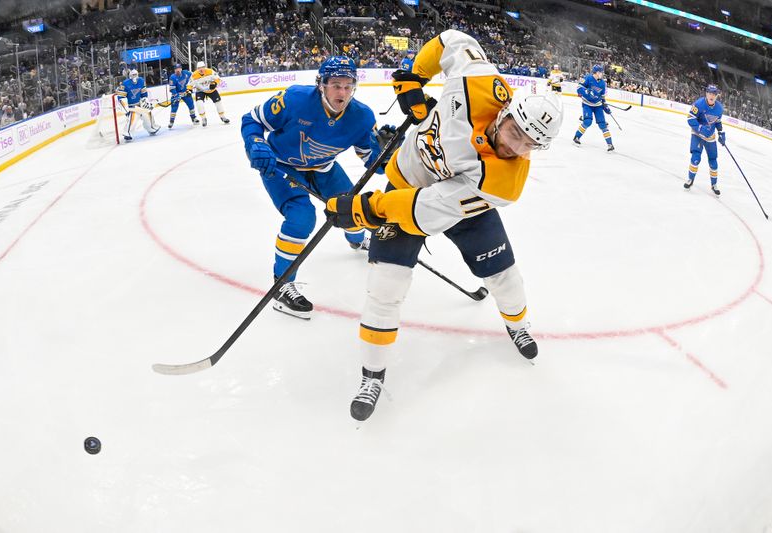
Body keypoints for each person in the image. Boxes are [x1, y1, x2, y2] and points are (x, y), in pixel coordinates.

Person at [323, 30, 564, 421]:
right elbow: (452, 39)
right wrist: (414, 76)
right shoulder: (480, 82)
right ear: (505, 113)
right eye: (514, 132)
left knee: (505, 275)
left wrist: (369, 208)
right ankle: (372, 374)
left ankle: (518, 325)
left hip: (451, 204)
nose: (514, 146)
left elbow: (424, 210)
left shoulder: (502, 182)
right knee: (385, 289)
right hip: (406, 178)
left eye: (527, 145)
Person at [240, 56, 391, 320]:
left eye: (347, 86)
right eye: (335, 85)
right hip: (281, 166)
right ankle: (282, 284)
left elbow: (373, 165)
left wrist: (388, 152)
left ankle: (357, 240)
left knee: (352, 208)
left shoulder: (362, 117)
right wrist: (255, 143)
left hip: (324, 168)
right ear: (321, 84)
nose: (341, 92)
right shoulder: (295, 99)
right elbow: (252, 120)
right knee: (301, 217)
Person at [684, 84, 725, 195]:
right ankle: (690, 179)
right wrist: (701, 128)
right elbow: (690, 118)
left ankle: (714, 184)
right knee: (695, 158)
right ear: (706, 93)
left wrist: (721, 133)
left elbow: (717, 121)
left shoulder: (719, 108)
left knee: (713, 162)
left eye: (714, 94)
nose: (712, 96)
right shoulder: (699, 104)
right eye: (710, 93)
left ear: (717, 96)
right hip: (697, 135)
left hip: (710, 137)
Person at [573, 65, 614, 151]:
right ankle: (576, 137)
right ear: (596, 72)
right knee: (587, 121)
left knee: (603, 124)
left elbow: (602, 97)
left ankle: (610, 144)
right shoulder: (588, 78)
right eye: (601, 72)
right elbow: (579, 88)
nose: (602, 74)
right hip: (587, 104)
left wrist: (605, 106)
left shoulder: (603, 83)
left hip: (598, 105)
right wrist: (586, 91)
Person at [115, 69, 160, 142]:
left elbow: (143, 93)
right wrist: (125, 107)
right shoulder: (125, 84)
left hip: (140, 104)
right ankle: (127, 133)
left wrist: (145, 100)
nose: (134, 76)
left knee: (147, 114)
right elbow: (121, 97)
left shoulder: (141, 81)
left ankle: (152, 128)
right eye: (133, 75)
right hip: (131, 106)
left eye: (136, 74)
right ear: (130, 76)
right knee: (133, 118)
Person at [189, 61, 230, 127]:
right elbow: (189, 84)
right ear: (197, 69)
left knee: (218, 103)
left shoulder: (210, 71)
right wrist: (189, 90)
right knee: (199, 104)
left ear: (205, 67)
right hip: (200, 90)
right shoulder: (194, 75)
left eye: (202, 67)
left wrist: (214, 83)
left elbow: (218, 79)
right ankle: (203, 118)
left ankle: (222, 117)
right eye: (199, 68)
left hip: (211, 90)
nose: (201, 69)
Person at [167, 63, 199, 128]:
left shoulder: (186, 73)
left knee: (191, 105)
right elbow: (172, 88)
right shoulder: (172, 77)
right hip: (176, 94)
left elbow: (194, 75)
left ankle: (193, 118)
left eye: (178, 68)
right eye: (176, 69)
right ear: (174, 70)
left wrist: (190, 88)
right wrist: (176, 95)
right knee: (174, 108)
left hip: (186, 93)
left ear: (181, 69)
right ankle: (171, 121)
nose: (177, 70)